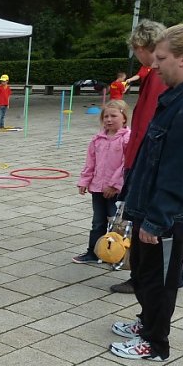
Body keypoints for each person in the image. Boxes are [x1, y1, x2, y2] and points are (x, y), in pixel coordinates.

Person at [109, 24, 183, 362]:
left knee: (161, 279)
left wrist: (156, 219)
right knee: (143, 271)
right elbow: (152, 156)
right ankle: (145, 322)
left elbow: (181, 172)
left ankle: (156, 344)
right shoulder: (179, 94)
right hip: (152, 206)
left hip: (167, 215)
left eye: (162, 58)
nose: (155, 65)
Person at [110, 20, 169, 294]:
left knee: (142, 223)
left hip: (145, 161)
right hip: (140, 157)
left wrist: (133, 164)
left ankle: (141, 278)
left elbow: (147, 125)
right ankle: (142, 276)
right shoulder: (153, 76)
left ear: (142, 47)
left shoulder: (158, 77)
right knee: (138, 221)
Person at [72, 100, 131, 264]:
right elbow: (90, 162)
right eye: (106, 116)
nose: (109, 119)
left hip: (116, 191)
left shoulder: (127, 139)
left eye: (114, 116)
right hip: (97, 188)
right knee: (98, 222)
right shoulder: (97, 139)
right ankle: (94, 252)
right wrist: (84, 180)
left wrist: (114, 185)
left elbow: (126, 164)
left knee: (116, 223)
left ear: (124, 118)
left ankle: (116, 254)